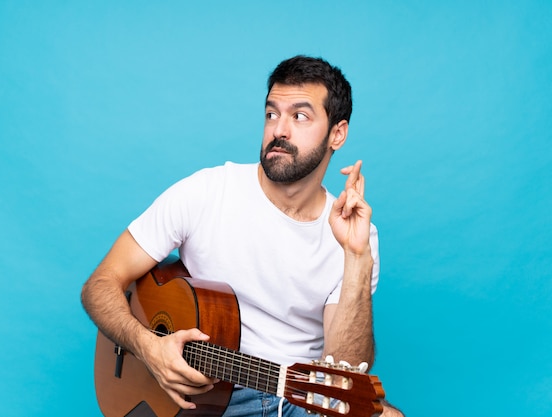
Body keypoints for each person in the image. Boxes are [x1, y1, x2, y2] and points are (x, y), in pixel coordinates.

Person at [81, 55, 404, 417]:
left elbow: (345, 375)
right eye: (271, 114)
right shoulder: (205, 193)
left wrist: (356, 258)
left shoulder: (355, 234)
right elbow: (100, 284)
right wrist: (147, 346)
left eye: (300, 116)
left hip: (297, 399)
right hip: (200, 399)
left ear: (337, 134)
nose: (279, 129)